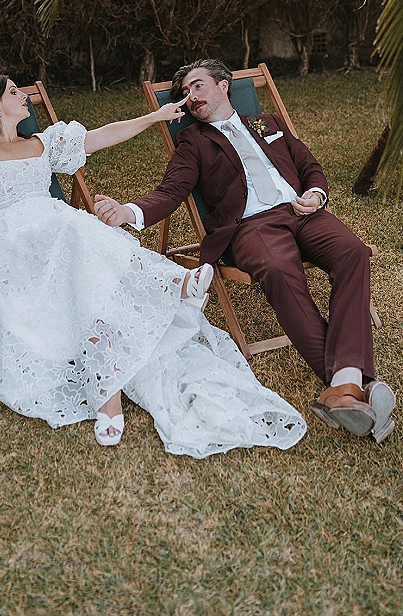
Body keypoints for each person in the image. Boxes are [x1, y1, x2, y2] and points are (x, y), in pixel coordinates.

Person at [0, 73, 307, 456]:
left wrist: (154, 117)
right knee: (74, 229)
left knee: (80, 246)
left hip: (61, 230)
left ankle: (109, 395)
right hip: (12, 241)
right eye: (13, 91)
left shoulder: (44, 143)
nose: (23, 95)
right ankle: (172, 284)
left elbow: (102, 136)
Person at [94, 59, 396, 444]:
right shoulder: (194, 141)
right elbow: (170, 191)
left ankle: (345, 389)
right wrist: (127, 212)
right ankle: (354, 383)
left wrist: (315, 194)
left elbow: (309, 165)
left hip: (303, 212)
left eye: (198, 86)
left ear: (223, 86)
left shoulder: (267, 122)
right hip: (253, 227)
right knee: (278, 268)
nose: (191, 97)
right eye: (185, 94)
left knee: (353, 252)